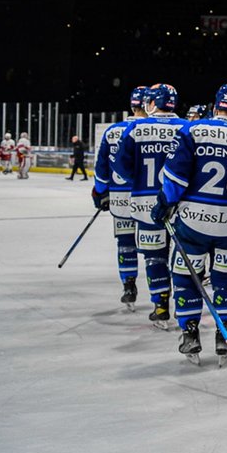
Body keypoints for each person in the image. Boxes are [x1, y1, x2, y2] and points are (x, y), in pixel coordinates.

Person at [155, 83, 227, 364]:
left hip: (193, 222)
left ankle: (190, 332)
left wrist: (163, 205)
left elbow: (175, 180)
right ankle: (224, 334)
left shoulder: (192, 130)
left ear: (215, 105)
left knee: (186, 278)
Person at [113, 84, 187, 329]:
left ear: (152, 103)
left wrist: (140, 181)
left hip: (145, 204)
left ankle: (161, 306)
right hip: (180, 206)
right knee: (182, 257)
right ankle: (186, 307)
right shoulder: (187, 127)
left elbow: (120, 166)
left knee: (155, 257)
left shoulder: (136, 127)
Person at [91, 86, 148, 310]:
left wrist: (100, 193)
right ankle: (162, 297)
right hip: (149, 200)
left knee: (125, 244)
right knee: (158, 249)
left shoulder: (113, 131)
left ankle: (129, 285)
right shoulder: (161, 129)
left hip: (120, 200)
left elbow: (101, 169)